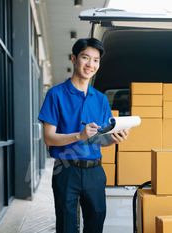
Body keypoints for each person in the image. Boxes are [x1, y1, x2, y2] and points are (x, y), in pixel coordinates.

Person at [38, 38, 129, 233]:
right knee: (66, 226)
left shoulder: (101, 99)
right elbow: (48, 137)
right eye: (85, 58)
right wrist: (79, 136)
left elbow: (101, 139)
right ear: (74, 59)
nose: (91, 64)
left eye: (96, 60)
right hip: (65, 170)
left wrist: (113, 139)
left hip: (94, 172)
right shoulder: (56, 94)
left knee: (95, 224)